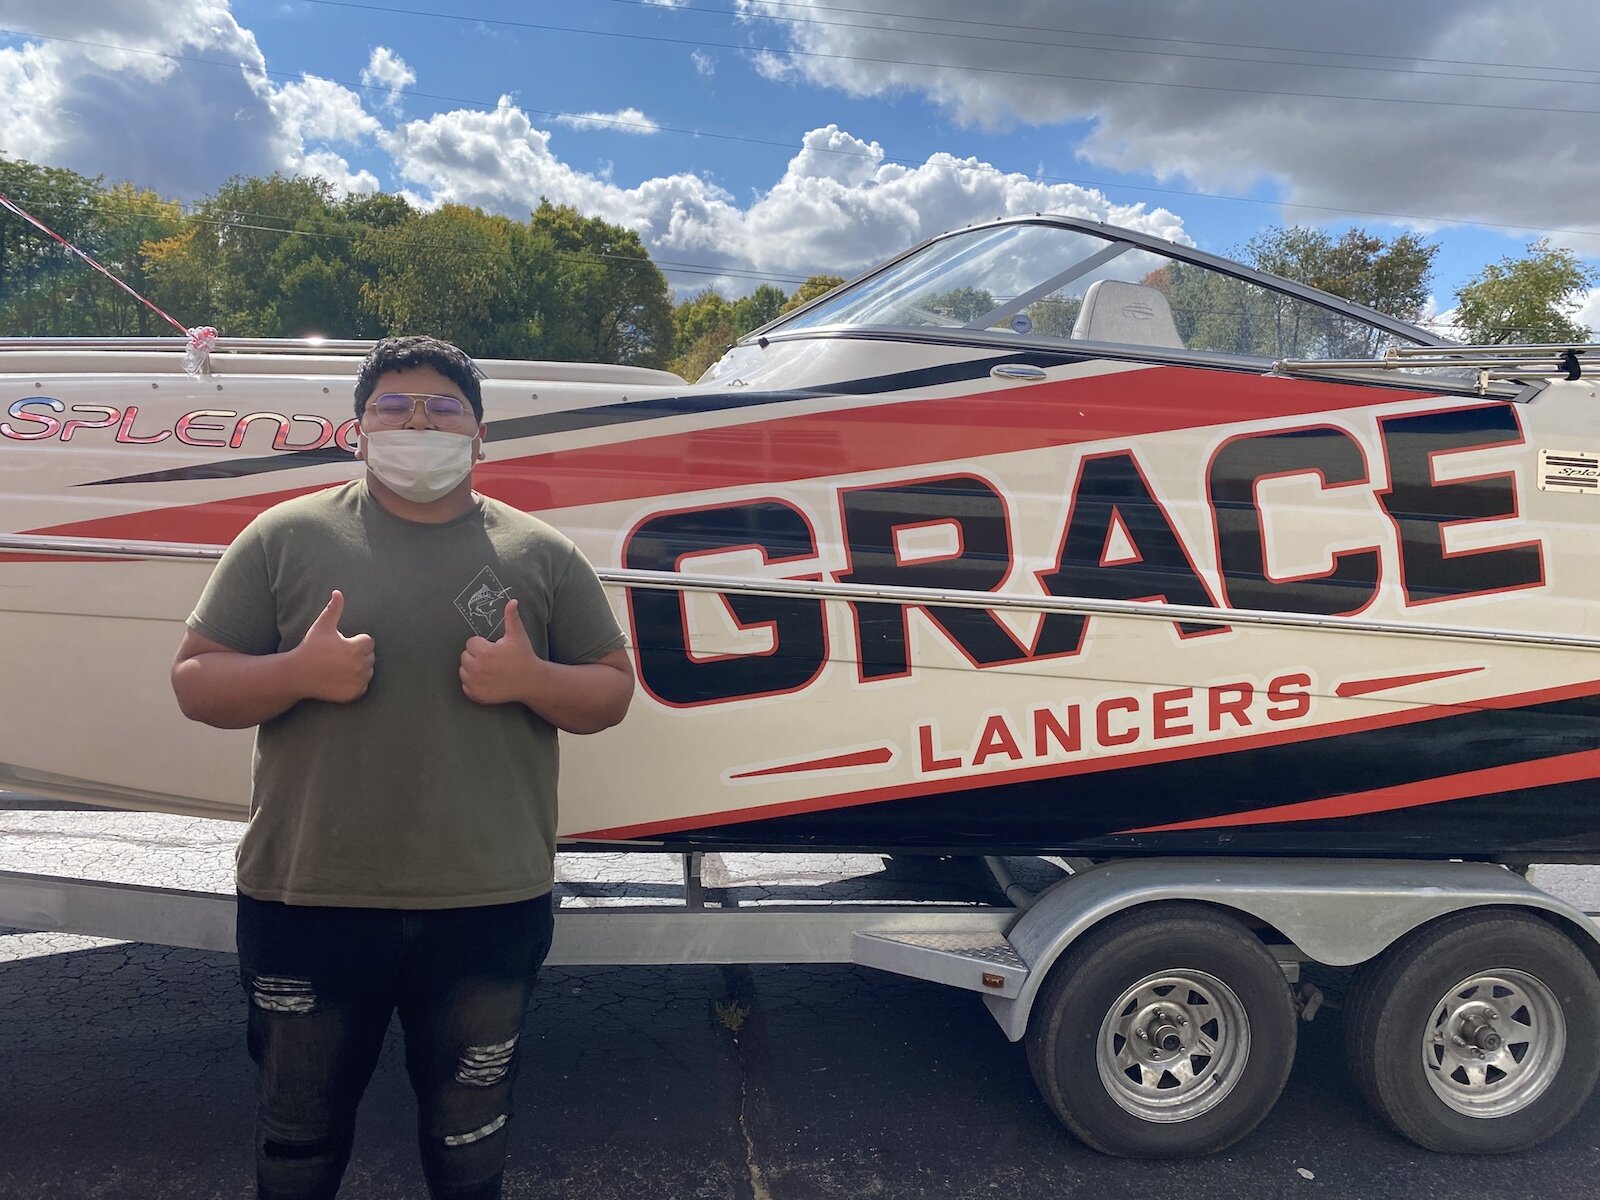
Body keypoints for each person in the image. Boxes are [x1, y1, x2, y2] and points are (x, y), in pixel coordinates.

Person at [170, 335, 634, 1200]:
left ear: (480, 435)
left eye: (444, 408)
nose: (419, 422)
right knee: (295, 1139)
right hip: (306, 899)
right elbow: (195, 681)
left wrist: (532, 681)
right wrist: (297, 675)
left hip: (487, 904)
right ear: (358, 429)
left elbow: (612, 693)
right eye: (394, 406)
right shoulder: (284, 536)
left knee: (470, 1147)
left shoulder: (541, 553)